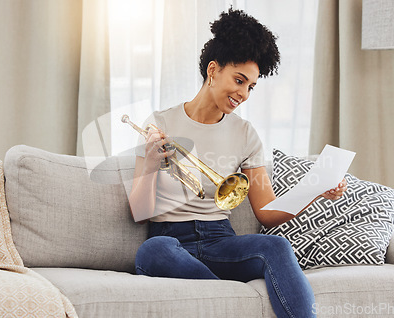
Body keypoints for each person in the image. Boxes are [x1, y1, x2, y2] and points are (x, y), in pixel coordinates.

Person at [128, 8, 347, 318]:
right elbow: (139, 213)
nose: (244, 94)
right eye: (239, 80)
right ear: (213, 70)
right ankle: (229, 300)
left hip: (220, 240)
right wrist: (151, 163)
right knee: (154, 251)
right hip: (170, 240)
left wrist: (317, 189)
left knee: (277, 247)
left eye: (251, 86)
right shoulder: (160, 123)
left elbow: (267, 213)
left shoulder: (245, 134)